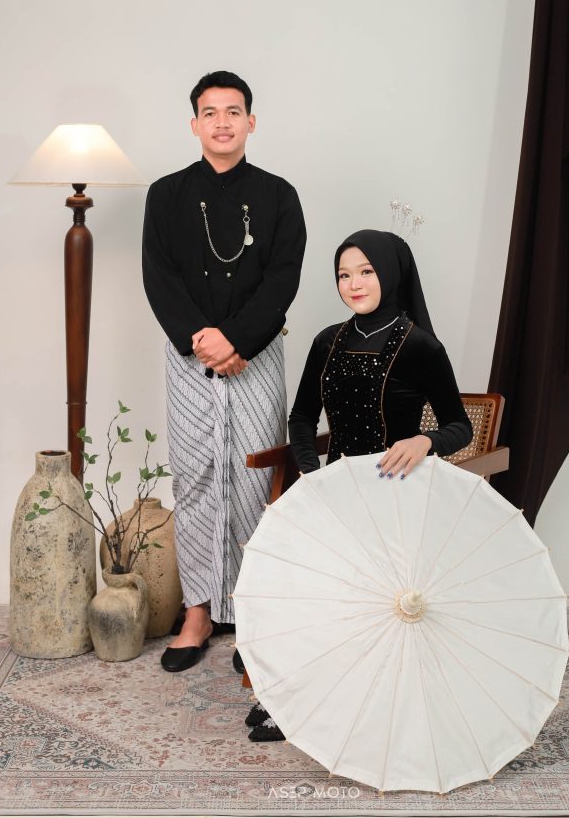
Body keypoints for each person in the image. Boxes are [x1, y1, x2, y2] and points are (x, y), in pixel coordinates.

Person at [246, 228, 472, 741]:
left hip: (397, 498)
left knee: (357, 598)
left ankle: (341, 705)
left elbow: (459, 425)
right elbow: (302, 418)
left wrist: (425, 441)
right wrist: (312, 473)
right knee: (301, 586)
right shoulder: (327, 341)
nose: (353, 284)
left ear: (390, 273)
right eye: (344, 275)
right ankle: (292, 696)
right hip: (335, 491)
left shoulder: (421, 346)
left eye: (366, 272)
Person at [142, 70, 306, 673]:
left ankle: (253, 615)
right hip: (189, 356)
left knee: (257, 479)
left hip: (256, 354)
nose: (222, 122)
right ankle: (199, 612)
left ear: (250, 122)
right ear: (194, 124)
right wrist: (203, 339)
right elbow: (158, 276)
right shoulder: (165, 194)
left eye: (233, 111)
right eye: (209, 112)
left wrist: (237, 339)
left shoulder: (279, 195)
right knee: (194, 477)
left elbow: (283, 277)